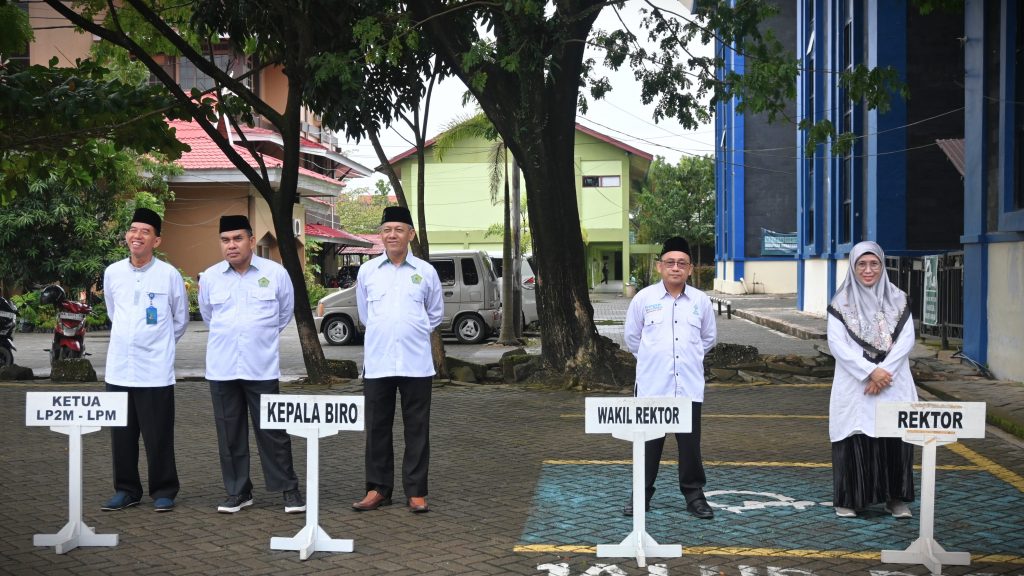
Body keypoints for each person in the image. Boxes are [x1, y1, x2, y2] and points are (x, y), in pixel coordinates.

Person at [198, 215, 305, 515]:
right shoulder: (210, 277)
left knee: (273, 431)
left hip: (261, 367)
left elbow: (284, 313)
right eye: (225, 240)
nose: (231, 245)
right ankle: (238, 492)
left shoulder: (275, 273)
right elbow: (208, 316)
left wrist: (258, 336)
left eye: (237, 238)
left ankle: (288, 489)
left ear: (251, 240)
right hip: (222, 368)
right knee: (229, 434)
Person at [352, 206, 443, 514]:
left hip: (416, 363)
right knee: (377, 428)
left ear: (410, 235)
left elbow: (434, 315)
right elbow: (365, 315)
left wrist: (409, 330)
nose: (392, 235)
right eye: (387, 229)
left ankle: (416, 492)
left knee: (417, 429)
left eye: (399, 229)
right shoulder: (367, 272)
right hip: (378, 362)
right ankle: (378, 489)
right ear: (381, 234)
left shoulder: (425, 272)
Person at [622, 237, 717, 519]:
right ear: (660, 267)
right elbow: (632, 338)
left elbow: (708, 339)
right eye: (670, 262)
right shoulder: (643, 299)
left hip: (688, 387)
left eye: (682, 263)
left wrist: (687, 357)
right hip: (653, 387)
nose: (676, 268)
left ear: (690, 269)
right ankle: (640, 496)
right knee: (648, 445)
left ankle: (694, 497)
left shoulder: (700, 301)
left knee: (690, 447)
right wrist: (654, 360)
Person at [101, 207, 188, 512]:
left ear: (157, 241)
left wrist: (157, 344)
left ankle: (163, 490)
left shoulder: (169, 275)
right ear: (127, 235)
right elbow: (114, 312)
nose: (137, 236)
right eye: (133, 229)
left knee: (158, 434)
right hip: (119, 369)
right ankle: (126, 490)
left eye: (145, 231)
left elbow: (180, 319)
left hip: (155, 370)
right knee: (122, 436)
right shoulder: (113, 273)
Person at [827, 241, 917, 519]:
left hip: (892, 381)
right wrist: (869, 371)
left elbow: (906, 340)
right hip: (856, 384)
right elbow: (836, 344)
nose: (868, 270)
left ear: (882, 265)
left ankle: (895, 499)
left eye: (874, 264)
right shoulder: (840, 302)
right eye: (862, 264)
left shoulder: (898, 299)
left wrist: (882, 373)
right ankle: (850, 499)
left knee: (894, 436)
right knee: (854, 436)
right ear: (853, 267)